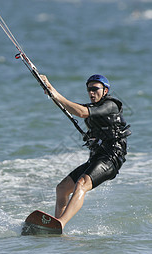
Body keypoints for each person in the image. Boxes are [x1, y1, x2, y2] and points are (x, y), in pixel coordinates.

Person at [40, 74, 131, 230]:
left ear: (105, 90)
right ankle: (54, 226)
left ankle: (61, 223)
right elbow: (72, 108)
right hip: (97, 158)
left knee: (81, 184)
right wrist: (50, 89)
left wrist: (55, 93)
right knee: (61, 189)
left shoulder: (111, 105)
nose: (91, 92)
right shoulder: (92, 110)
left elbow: (81, 112)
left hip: (112, 158)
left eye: (95, 89)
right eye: (89, 89)